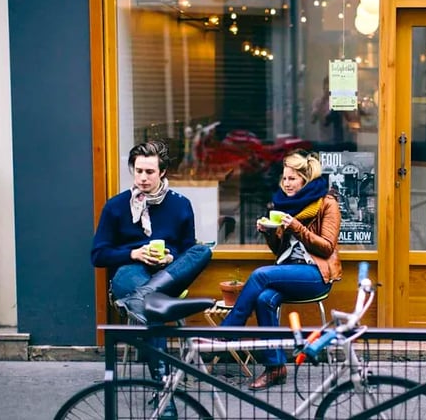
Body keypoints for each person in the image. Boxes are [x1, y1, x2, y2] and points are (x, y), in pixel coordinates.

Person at [91, 140, 212, 419]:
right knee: (152, 305)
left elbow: (186, 249)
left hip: (168, 276)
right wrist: (134, 253)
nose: (143, 178)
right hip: (129, 275)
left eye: (149, 172)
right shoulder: (117, 207)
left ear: (162, 172)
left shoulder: (181, 205)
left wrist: (169, 259)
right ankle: (163, 390)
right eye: (138, 171)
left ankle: (143, 299)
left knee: (202, 250)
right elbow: (98, 255)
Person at [220, 150, 343, 391]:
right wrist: (269, 233)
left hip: (316, 275)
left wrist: (296, 227)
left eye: (292, 179)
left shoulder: (327, 203)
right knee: (265, 299)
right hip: (291, 271)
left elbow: (327, 248)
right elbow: (280, 251)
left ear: (305, 181)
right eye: (284, 178)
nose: (286, 184)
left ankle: (230, 330)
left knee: (260, 275)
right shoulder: (285, 204)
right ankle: (275, 368)